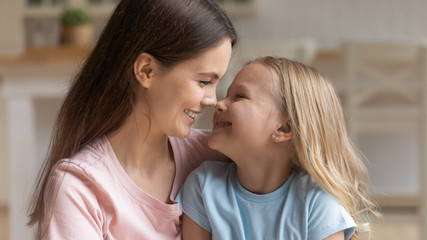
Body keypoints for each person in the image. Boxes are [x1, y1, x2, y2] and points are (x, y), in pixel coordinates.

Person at [26, 0, 237, 239]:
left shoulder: (216, 156)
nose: (213, 100)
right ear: (146, 71)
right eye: (204, 81)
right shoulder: (80, 187)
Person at [177, 56, 379, 240]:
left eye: (239, 96)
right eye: (227, 95)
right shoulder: (203, 185)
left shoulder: (318, 203)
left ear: (284, 128)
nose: (218, 103)